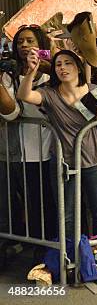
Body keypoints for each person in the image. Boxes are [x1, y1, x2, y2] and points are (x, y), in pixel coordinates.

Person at [17, 50, 97, 238]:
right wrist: (32, 71)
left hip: (94, 158)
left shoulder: (95, 90)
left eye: (68, 63)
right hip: (64, 163)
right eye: (58, 64)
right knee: (66, 214)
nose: (62, 68)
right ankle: (68, 257)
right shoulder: (49, 93)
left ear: (78, 67)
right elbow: (24, 95)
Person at [0, 26, 56, 257]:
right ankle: (23, 245)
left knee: (43, 204)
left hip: (45, 151)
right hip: (13, 150)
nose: (24, 45)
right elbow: (11, 113)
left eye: (30, 40)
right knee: (14, 204)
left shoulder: (53, 73)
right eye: (20, 41)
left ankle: (46, 251)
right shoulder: (8, 74)